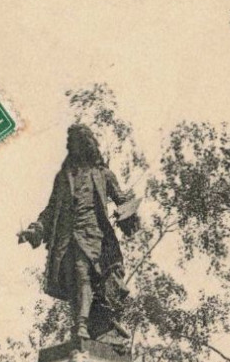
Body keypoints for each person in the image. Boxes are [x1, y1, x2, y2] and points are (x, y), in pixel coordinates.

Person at [18, 124, 140, 347]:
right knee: (76, 278)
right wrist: (34, 230)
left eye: (78, 143)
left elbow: (122, 200)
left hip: (94, 237)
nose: (74, 147)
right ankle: (82, 325)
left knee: (83, 274)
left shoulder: (103, 174)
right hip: (67, 238)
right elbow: (50, 210)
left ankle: (82, 325)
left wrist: (130, 213)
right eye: (71, 143)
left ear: (88, 145)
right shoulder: (63, 177)